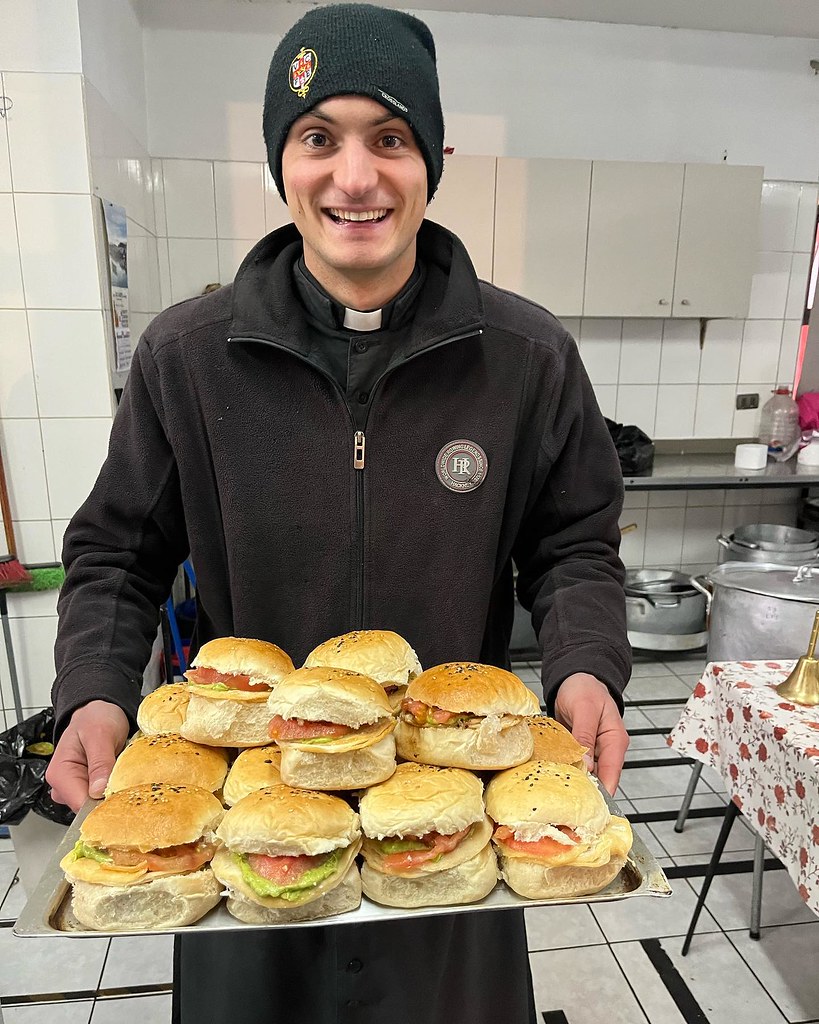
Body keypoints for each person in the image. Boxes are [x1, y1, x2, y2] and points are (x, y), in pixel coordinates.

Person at [47, 4, 631, 1022]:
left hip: (443, 823)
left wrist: (585, 665)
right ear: (283, 159)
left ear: (433, 160)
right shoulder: (187, 358)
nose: (354, 179)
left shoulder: (527, 359)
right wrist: (96, 689)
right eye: (319, 137)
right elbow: (116, 554)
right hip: (254, 818)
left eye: (389, 139)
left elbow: (573, 544)